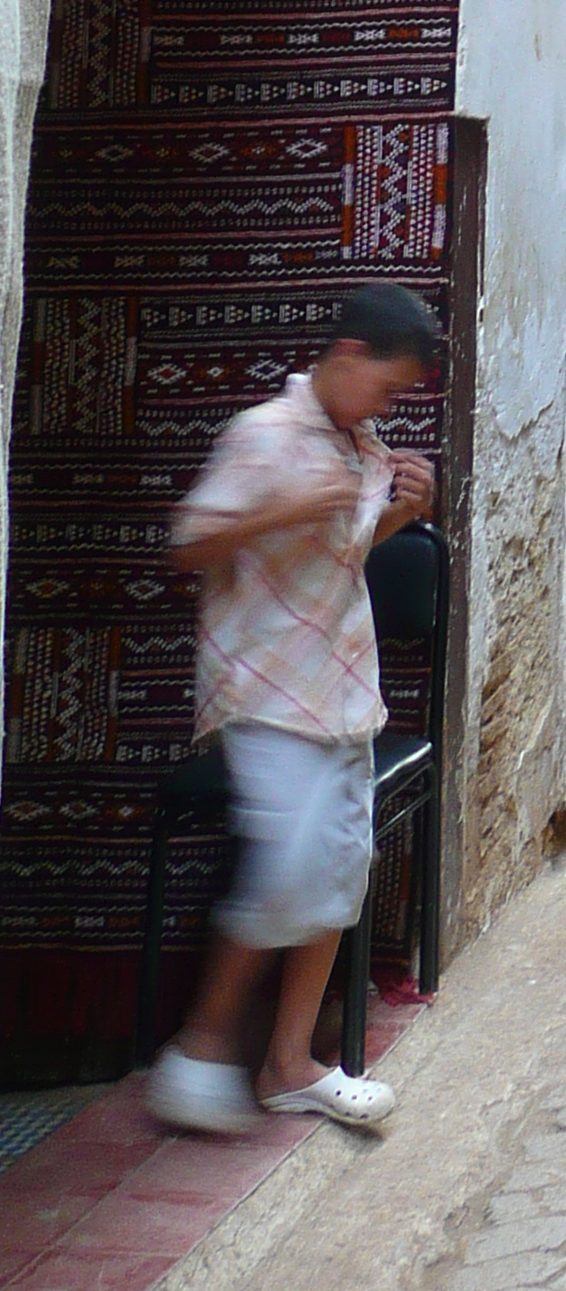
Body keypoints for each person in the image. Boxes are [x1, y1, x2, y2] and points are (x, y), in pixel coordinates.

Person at [147, 284, 441, 1138]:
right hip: (267, 690)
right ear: (347, 357)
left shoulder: (357, 442)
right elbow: (188, 542)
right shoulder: (263, 436)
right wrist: (283, 508)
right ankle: (199, 1050)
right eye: (386, 389)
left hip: (343, 688)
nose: (388, 408)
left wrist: (402, 515)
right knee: (288, 869)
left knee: (338, 875)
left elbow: (341, 555)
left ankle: (287, 1066)